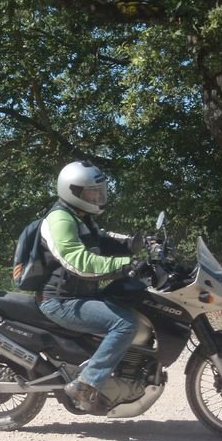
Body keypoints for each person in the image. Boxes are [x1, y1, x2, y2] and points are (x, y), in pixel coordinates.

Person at [37, 161, 142, 410]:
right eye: (92, 192)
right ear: (73, 191)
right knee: (125, 323)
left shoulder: (81, 216)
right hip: (61, 301)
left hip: (80, 295)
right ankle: (86, 384)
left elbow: (102, 239)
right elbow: (78, 261)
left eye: (99, 190)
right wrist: (122, 265)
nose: (98, 196)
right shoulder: (60, 219)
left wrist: (134, 243)